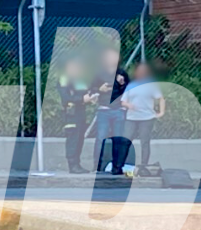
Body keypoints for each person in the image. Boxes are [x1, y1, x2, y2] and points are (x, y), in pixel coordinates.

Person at [93, 47, 131, 175]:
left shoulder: (122, 73)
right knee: (101, 138)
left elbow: (128, 91)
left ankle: (117, 168)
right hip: (104, 110)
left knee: (118, 139)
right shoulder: (99, 74)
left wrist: (122, 84)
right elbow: (91, 89)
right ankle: (97, 167)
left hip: (118, 111)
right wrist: (100, 90)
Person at [122, 62, 165, 170]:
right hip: (131, 118)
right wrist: (128, 105)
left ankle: (144, 165)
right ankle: (124, 164)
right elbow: (123, 101)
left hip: (146, 118)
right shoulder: (130, 86)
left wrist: (161, 112)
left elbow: (160, 98)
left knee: (144, 141)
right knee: (126, 140)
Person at [57, 58, 97, 174]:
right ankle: (72, 165)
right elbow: (66, 98)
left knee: (79, 138)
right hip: (71, 113)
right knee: (73, 139)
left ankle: (77, 164)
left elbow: (84, 92)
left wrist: (91, 97)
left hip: (80, 112)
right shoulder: (64, 78)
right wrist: (82, 99)